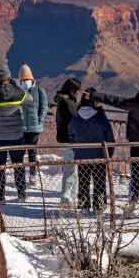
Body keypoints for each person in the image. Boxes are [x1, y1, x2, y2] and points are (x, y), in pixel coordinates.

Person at [87, 74, 139, 218]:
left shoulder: (136, 103)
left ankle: (132, 205)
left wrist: (95, 95)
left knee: (137, 175)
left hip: (137, 145)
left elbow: (115, 101)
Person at [0, 66, 27, 203]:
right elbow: (29, 100)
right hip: (16, 136)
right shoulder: (18, 94)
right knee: (18, 165)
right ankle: (21, 194)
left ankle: (0, 195)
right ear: (9, 78)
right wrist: (15, 86)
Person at [68, 96, 115, 212]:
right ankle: (99, 205)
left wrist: (76, 149)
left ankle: (84, 205)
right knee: (99, 181)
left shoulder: (75, 117)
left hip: (81, 154)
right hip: (99, 154)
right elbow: (109, 136)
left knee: (83, 180)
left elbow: (71, 135)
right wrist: (109, 153)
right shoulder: (100, 117)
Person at [19, 64, 48, 186]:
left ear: (32, 79)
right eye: (23, 80)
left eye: (27, 80)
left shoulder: (39, 90)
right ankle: (20, 177)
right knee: (19, 154)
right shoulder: (18, 92)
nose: (26, 82)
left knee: (32, 153)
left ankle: (32, 176)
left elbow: (44, 107)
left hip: (34, 129)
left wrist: (39, 120)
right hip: (21, 128)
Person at [55, 78, 81, 207]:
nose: (77, 93)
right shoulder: (67, 102)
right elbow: (75, 118)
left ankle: (71, 197)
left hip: (66, 138)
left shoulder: (62, 101)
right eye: (76, 91)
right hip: (71, 139)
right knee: (70, 170)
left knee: (71, 169)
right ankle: (66, 198)